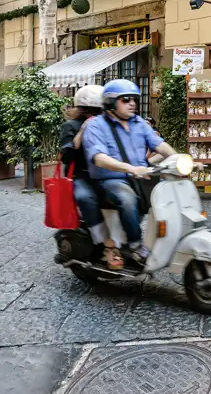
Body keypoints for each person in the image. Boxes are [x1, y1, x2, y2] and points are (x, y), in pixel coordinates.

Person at [82, 79, 177, 264]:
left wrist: (179, 158)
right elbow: (99, 157)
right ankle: (135, 244)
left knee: (167, 195)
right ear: (110, 102)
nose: (132, 103)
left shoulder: (139, 123)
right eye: (125, 99)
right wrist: (131, 169)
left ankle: (163, 239)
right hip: (111, 179)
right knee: (127, 199)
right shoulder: (96, 126)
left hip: (139, 176)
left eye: (134, 99)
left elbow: (159, 144)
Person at [59, 85, 124, 270]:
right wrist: (81, 132)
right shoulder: (70, 126)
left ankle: (130, 242)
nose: (96, 116)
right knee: (86, 198)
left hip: (106, 174)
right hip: (81, 176)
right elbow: (67, 156)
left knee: (130, 195)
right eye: (93, 112)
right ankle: (107, 246)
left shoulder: (108, 125)